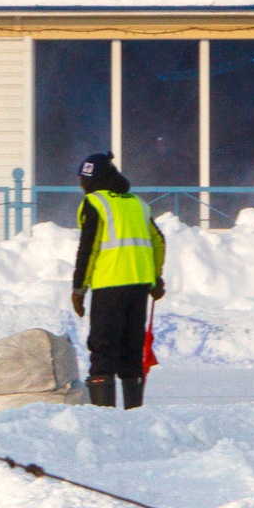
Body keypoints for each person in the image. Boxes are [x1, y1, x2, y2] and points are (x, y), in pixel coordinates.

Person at [69, 152, 165, 409]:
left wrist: (79, 289)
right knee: (131, 351)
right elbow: (158, 241)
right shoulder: (137, 203)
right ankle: (134, 414)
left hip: (109, 285)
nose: (81, 186)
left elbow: (87, 249)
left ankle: (105, 418)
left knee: (103, 350)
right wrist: (155, 279)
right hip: (139, 287)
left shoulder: (95, 203)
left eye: (83, 181)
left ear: (92, 179)